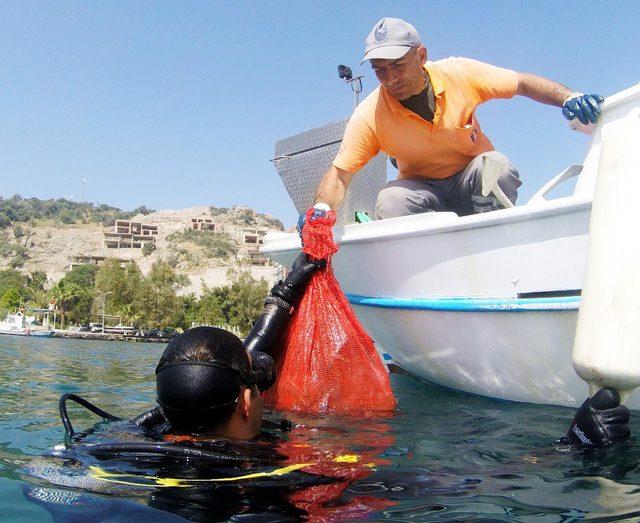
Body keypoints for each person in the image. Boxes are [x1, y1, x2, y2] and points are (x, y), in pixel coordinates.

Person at [300, 17, 604, 228]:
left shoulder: (459, 73)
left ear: (421, 56)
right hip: (422, 191)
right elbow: (340, 175)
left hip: (472, 181)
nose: (390, 78)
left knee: (496, 166)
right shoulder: (370, 114)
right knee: (390, 200)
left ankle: (490, 234)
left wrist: (569, 98)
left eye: (398, 65)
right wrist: (321, 208)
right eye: (380, 70)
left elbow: (522, 82)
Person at [132, 252, 325, 438]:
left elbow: (234, 365)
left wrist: (286, 292)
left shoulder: (135, 446)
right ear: (246, 404)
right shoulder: (284, 467)